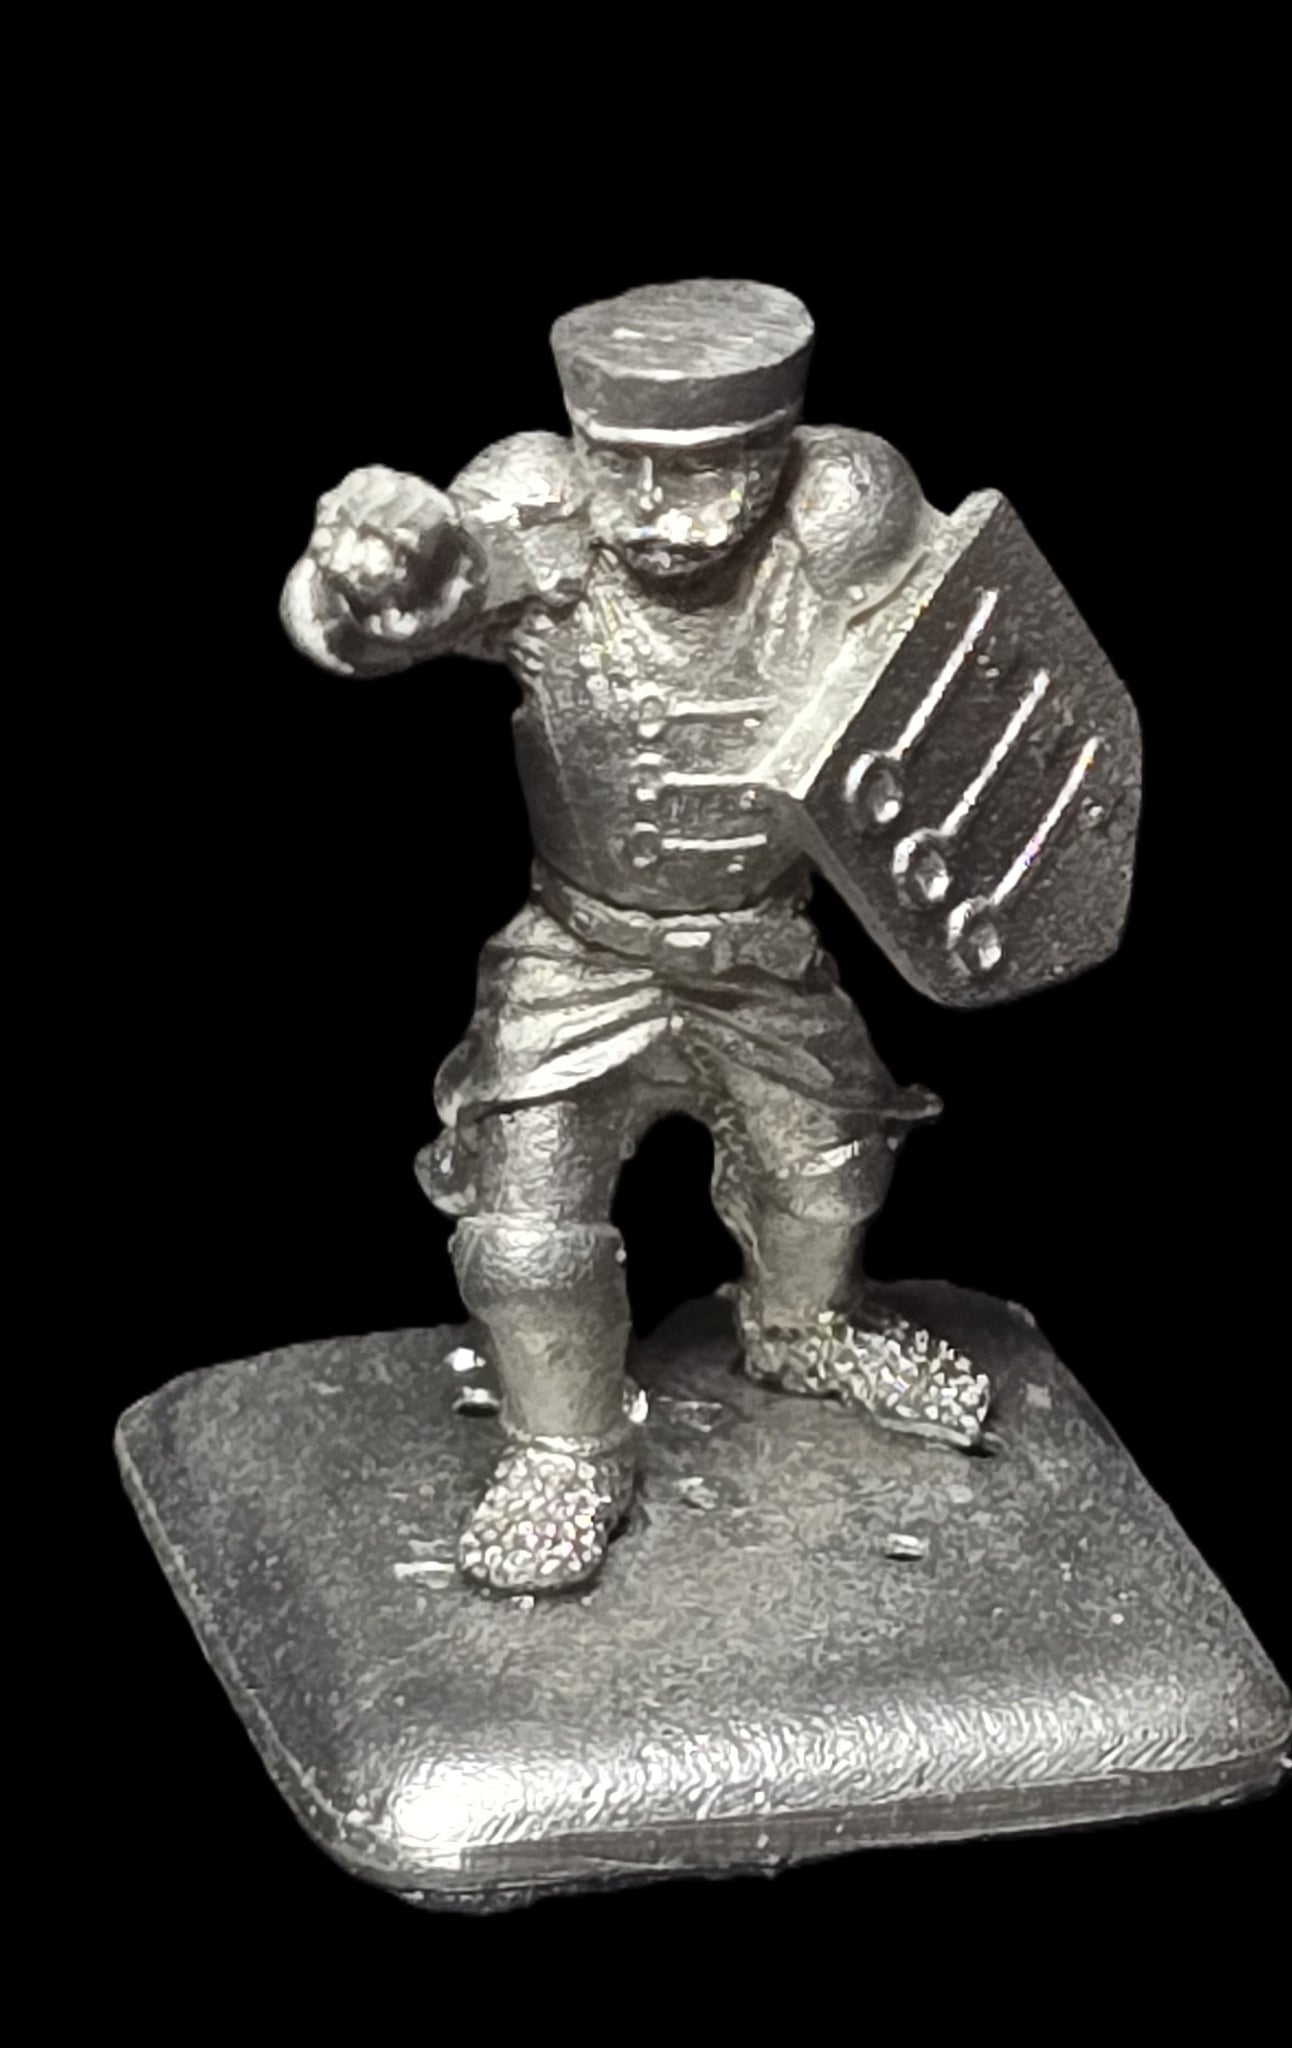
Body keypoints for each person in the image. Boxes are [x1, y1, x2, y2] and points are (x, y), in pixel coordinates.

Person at [281, 278, 988, 1595]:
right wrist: (361, 577)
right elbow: (369, 631)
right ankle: (565, 1451)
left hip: (761, 950)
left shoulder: (839, 521)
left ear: (774, 452)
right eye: (627, 470)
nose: (660, 510)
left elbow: (967, 675)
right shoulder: (539, 519)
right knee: (526, 1231)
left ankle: (804, 1329)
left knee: (831, 1172)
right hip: (583, 957)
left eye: (706, 472)